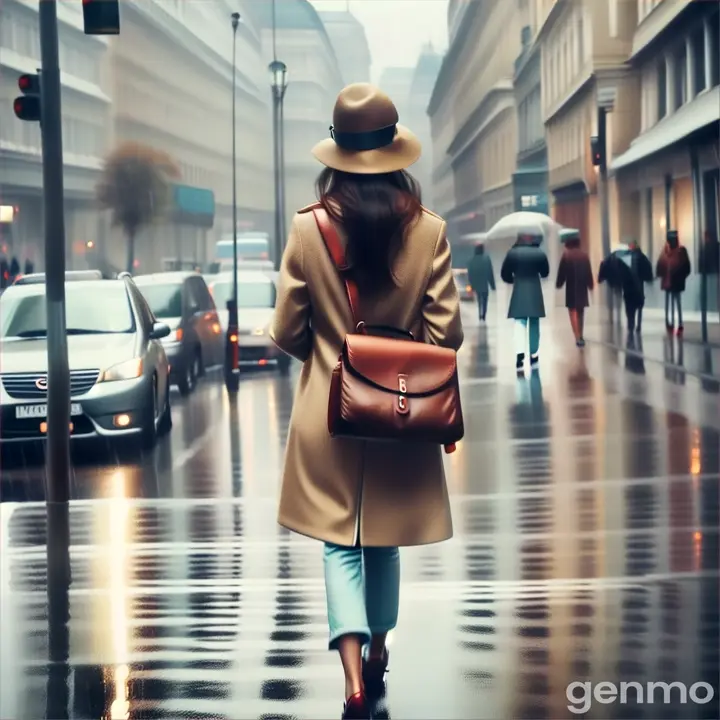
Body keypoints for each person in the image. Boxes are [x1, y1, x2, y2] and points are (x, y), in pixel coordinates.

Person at [270, 83, 463, 720]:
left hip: (329, 413)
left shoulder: (307, 230)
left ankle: (352, 678)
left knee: (338, 544)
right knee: (382, 541)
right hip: (402, 414)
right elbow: (446, 334)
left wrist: (335, 357)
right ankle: (380, 645)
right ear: (396, 153)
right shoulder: (427, 231)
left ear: (336, 156)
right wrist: (397, 361)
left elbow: (286, 331)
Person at [501, 232, 549, 372]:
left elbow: (505, 274)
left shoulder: (512, 253)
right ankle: (534, 356)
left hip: (519, 290)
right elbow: (545, 272)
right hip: (535, 291)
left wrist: (513, 279)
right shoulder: (539, 252)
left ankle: (520, 357)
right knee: (534, 324)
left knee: (519, 324)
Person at [556, 230, 593, 346]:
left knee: (572, 311)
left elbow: (562, 272)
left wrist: (559, 283)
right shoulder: (584, 255)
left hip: (571, 287)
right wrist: (590, 284)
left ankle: (577, 336)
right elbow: (588, 272)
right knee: (581, 311)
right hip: (582, 287)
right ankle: (581, 334)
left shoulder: (566, 255)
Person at [656, 229, 691, 335]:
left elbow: (686, 267)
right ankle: (669, 322)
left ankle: (679, 323)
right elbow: (660, 265)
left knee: (676, 302)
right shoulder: (665, 251)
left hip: (676, 281)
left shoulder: (680, 251)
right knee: (670, 302)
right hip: (668, 281)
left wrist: (680, 276)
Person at [467, 243, 495, 321]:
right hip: (484, 283)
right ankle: (484, 314)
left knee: (479, 299)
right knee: (485, 299)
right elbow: (490, 273)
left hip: (476, 283)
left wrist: (471, 284)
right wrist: (492, 285)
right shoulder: (486, 259)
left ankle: (480, 314)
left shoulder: (471, 260)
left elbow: (470, 274)